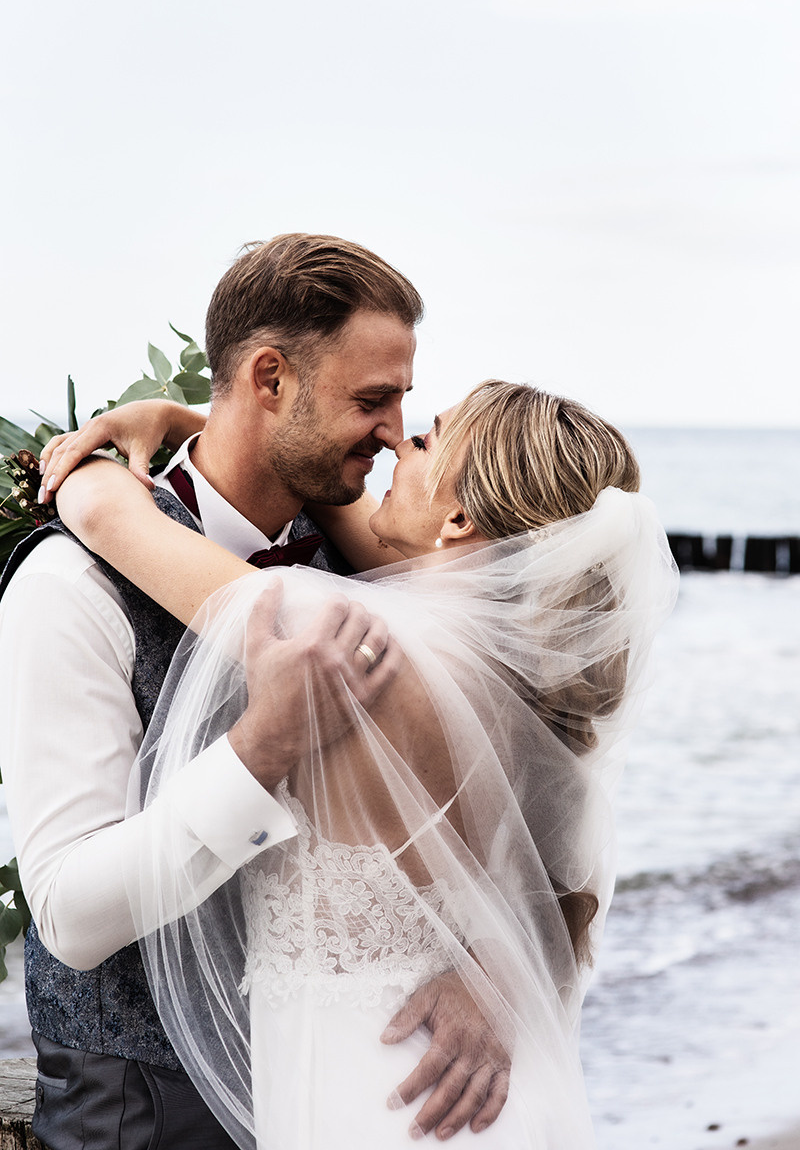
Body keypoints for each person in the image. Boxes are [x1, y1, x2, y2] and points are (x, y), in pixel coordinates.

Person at [38, 379, 678, 1147]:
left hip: (382, 1093)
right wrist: (186, 420)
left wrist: (91, 455)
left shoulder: (337, 642)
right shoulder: (538, 691)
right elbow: (571, 890)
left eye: (425, 441)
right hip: (493, 1095)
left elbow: (101, 512)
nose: (396, 443)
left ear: (460, 519)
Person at [0, 234, 516, 1150]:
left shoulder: (372, 563)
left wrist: (493, 967)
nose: (395, 432)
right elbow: (70, 916)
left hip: (357, 1079)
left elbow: (524, 797)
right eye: (372, 400)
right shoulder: (70, 585)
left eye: (402, 401)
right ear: (269, 378)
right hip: (148, 1104)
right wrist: (261, 752)